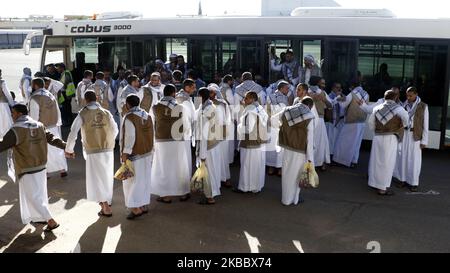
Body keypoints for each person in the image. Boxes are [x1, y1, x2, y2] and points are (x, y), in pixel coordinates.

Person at [0, 104, 64, 231]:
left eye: (13, 113)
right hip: (41, 166)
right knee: (39, 195)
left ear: (18, 114)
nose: (12, 115)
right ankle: (39, 217)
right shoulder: (38, 125)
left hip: (26, 167)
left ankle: (50, 220)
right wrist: (65, 146)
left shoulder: (16, 129)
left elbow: (2, 145)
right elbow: (52, 138)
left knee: (32, 196)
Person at [65, 91, 118, 217]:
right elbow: (115, 129)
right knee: (106, 176)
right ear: (97, 98)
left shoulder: (82, 113)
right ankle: (107, 201)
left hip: (93, 150)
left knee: (97, 178)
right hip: (108, 148)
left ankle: (105, 206)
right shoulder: (106, 112)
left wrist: (69, 149)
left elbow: (73, 132)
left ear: (85, 100)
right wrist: (108, 140)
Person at [151, 84, 191, 203]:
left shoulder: (155, 107)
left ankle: (165, 194)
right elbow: (186, 125)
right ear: (174, 93)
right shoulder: (181, 107)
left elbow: (153, 124)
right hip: (177, 140)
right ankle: (183, 193)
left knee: (164, 167)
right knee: (179, 166)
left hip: (161, 140)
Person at [271, 96, 314, 205]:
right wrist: (310, 159)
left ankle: (285, 199)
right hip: (300, 151)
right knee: (296, 175)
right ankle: (293, 199)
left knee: (286, 173)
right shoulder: (309, 116)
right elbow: (310, 139)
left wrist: (283, 129)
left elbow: (272, 121)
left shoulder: (287, 110)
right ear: (310, 106)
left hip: (287, 148)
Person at [368, 90, 408, 195]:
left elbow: (371, 124)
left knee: (376, 161)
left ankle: (375, 183)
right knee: (387, 163)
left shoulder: (376, 108)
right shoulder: (398, 108)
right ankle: (382, 188)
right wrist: (400, 125)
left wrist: (377, 131)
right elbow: (406, 120)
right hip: (390, 138)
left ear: (384, 97)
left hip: (377, 137)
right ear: (395, 98)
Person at [120, 94, 154, 219]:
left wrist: (125, 154)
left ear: (128, 104)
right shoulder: (148, 115)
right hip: (147, 153)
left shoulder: (129, 117)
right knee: (144, 180)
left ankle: (135, 208)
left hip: (134, 154)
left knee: (132, 182)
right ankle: (143, 204)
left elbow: (130, 137)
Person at [28, 78, 68, 178]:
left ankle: (46, 172)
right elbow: (57, 111)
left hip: (43, 128)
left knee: (44, 150)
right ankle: (63, 169)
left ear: (35, 85)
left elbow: (34, 117)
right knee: (57, 148)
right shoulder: (50, 95)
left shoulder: (35, 98)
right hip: (54, 126)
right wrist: (58, 123)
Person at [394, 87, 429, 192]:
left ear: (416, 94)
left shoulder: (423, 106)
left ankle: (413, 182)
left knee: (414, 160)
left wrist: (424, 141)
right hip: (404, 134)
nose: (408, 98)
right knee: (402, 157)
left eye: (410, 96)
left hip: (415, 135)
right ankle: (402, 179)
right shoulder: (403, 105)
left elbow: (425, 125)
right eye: (407, 95)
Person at [235, 91, 268, 193]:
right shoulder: (260, 108)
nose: (244, 100)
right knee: (257, 166)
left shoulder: (250, 111)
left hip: (250, 142)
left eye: (246, 98)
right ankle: (255, 187)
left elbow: (247, 129)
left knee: (247, 165)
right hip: (260, 142)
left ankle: (245, 187)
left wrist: (239, 126)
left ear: (252, 99)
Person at [333, 80, 370, 168]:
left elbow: (343, 105)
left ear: (352, 86)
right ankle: (354, 161)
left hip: (352, 121)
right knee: (356, 143)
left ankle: (341, 161)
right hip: (362, 121)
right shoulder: (366, 94)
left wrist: (338, 97)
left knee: (345, 142)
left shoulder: (353, 93)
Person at [195, 87, 222, 204]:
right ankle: (213, 191)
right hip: (214, 144)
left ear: (200, 97)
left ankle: (210, 197)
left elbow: (204, 134)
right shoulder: (211, 106)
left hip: (208, 146)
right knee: (213, 170)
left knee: (208, 171)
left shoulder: (206, 111)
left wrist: (202, 154)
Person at [208, 83, 232, 188]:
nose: (211, 94)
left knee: (223, 157)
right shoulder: (203, 103)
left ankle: (224, 178)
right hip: (209, 134)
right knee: (212, 158)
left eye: (213, 92)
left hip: (222, 133)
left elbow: (228, 119)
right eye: (209, 92)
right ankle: (214, 179)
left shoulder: (223, 104)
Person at [266, 80, 291, 176]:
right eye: (286, 88)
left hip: (281, 125)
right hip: (273, 125)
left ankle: (279, 168)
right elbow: (267, 110)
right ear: (281, 88)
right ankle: (272, 167)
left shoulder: (286, 98)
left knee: (280, 147)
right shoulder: (270, 96)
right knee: (272, 147)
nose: (288, 90)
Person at [176, 79, 197, 190]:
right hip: (184, 133)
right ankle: (184, 186)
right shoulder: (184, 100)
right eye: (193, 87)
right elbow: (192, 117)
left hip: (180, 133)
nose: (195, 89)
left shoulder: (181, 96)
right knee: (185, 159)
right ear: (187, 88)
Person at [308, 76, 332, 171]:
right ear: (317, 83)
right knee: (319, 142)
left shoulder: (322, 93)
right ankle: (315, 163)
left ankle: (319, 162)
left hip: (316, 120)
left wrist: (323, 99)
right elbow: (330, 105)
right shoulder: (307, 91)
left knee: (317, 141)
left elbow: (330, 105)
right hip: (311, 120)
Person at [220, 74, 237, 164]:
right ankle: (229, 159)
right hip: (228, 115)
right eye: (232, 81)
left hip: (221, 115)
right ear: (229, 81)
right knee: (230, 139)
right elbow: (232, 104)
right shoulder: (228, 90)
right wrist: (234, 117)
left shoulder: (219, 88)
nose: (233, 82)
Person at [326, 82, 345, 158]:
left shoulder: (340, 96)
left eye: (340, 87)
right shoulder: (329, 96)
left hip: (339, 121)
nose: (339, 89)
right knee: (330, 139)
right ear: (333, 88)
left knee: (336, 140)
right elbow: (330, 105)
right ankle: (329, 156)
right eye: (337, 87)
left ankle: (333, 155)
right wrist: (337, 97)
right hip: (331, 120)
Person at [0, 69, 14, 141]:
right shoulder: (2, 82)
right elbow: (8, 95)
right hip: (3, 104)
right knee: (5, 122)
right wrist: (12, 104)